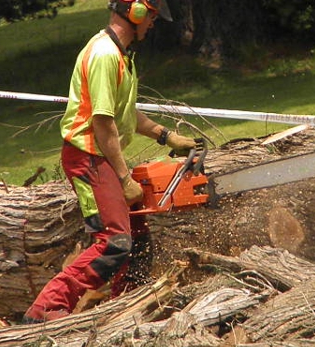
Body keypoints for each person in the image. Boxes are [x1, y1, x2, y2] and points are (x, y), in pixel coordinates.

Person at [23, 0, 197, 323]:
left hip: (100, 154)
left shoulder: (121, 55)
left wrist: (166, 135)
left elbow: (124, 114)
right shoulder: (105, 55)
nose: (153, 24)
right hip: (89, 156)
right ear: (136, 13)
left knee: (138, 235)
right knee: (114, 240)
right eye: (152, 17)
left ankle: (129, 306)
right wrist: (124, 178)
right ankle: (45, 308)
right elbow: (103, 124)